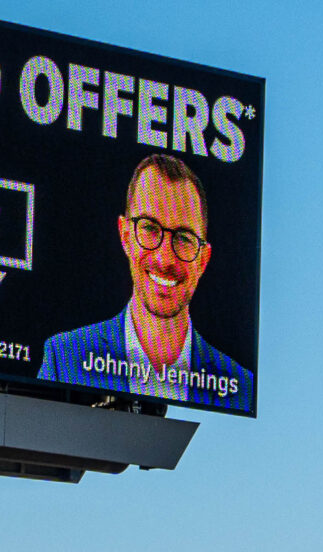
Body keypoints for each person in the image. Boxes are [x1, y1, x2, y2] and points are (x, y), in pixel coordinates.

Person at [39, 154, 254, 413]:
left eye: (184, 238)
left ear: (203, 260)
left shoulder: (240, 388)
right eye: (150, 228)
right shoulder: (65, 357)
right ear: (125, 235)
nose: (165, 258)